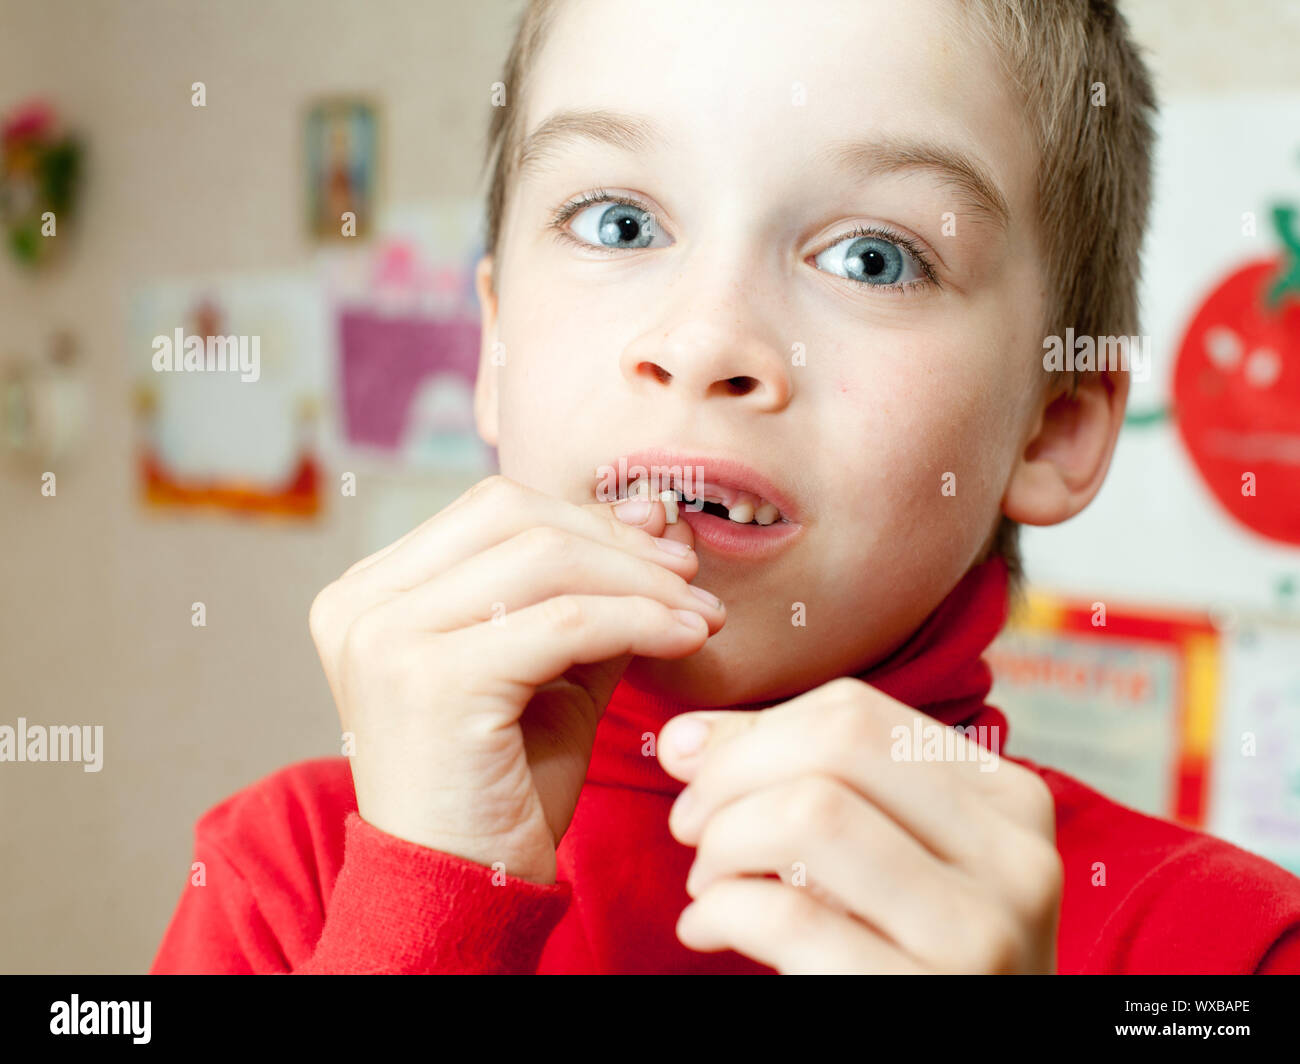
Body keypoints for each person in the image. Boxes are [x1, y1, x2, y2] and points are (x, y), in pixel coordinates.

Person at [151, 0, 1300, 974]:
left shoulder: (1230, 945)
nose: (703, 341)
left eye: (873, 257)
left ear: (1053, 423)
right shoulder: (286, 880)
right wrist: (421, 916)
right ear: (492, 350)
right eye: (619, 221)